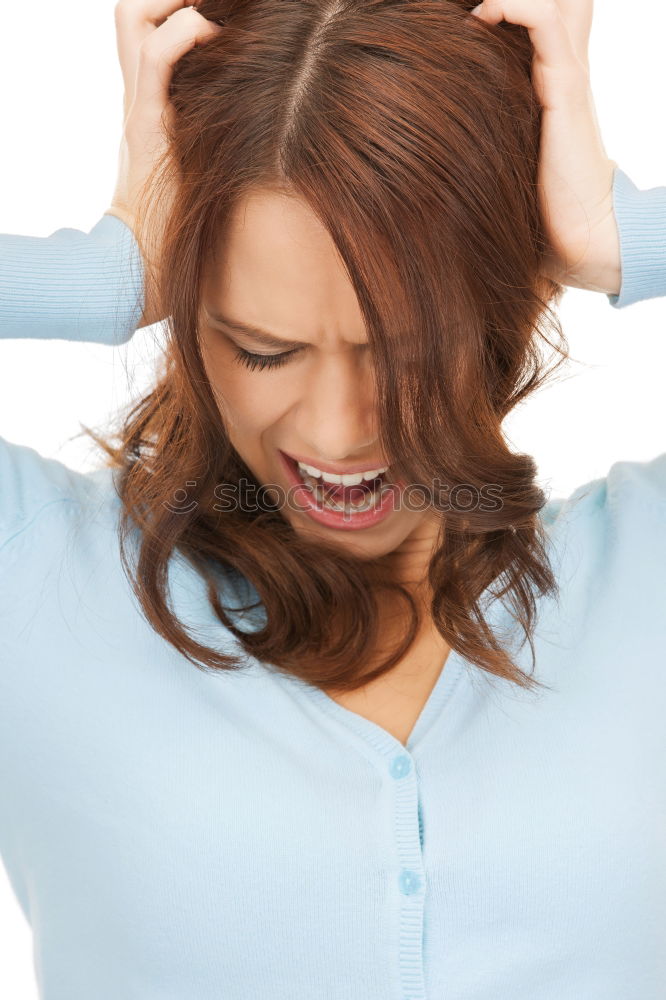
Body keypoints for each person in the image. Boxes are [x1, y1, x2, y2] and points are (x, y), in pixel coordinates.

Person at [1, 0, 665, 997]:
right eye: (263, 349)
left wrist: (620, 232)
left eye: (405, 356)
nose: (339, 430)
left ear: (515, 302)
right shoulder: (36, 579)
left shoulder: (642, 577)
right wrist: (95, 274)